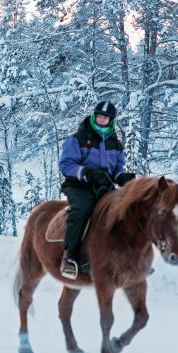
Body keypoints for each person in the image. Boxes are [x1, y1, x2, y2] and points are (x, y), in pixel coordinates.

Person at [58, 101, 136, 279]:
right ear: (95, 115)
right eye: (99, 115)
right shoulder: (78, 138)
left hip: (103, 186)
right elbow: (66, 165)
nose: (102, 119)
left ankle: (127, 256)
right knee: (84, 208)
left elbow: (117, 169)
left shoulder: (115, 144)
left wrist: (121, 177)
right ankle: (69, 256)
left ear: (111, 120)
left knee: (124, 211)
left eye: (106, 117)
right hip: (78, 185)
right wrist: (87, 172)